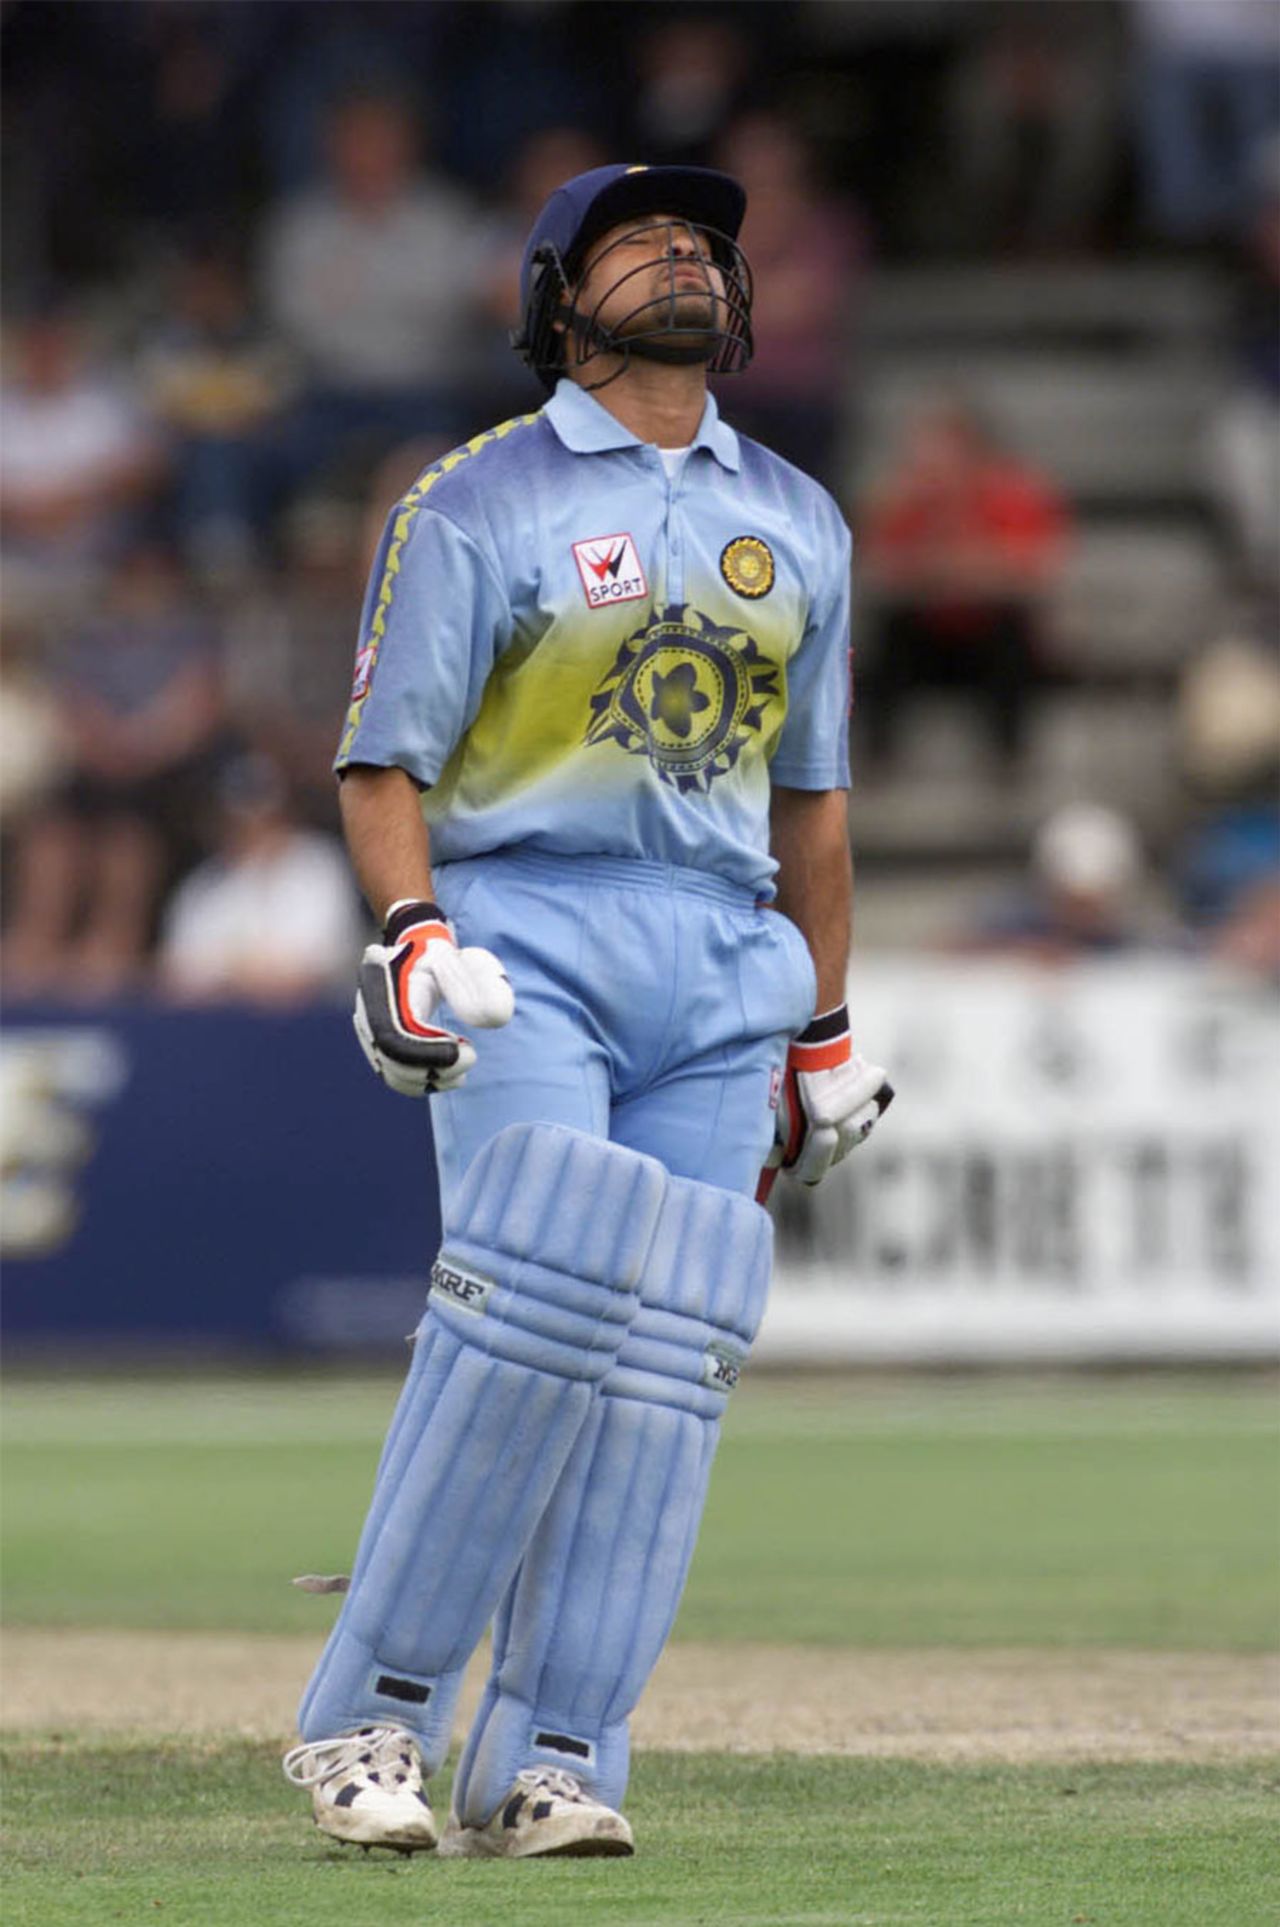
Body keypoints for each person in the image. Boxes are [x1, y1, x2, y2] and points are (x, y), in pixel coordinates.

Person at [281, 162, 892, 1862]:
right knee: (530, 1313)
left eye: (705, 239)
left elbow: (816, 807)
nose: (688, 254)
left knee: (665, 1361)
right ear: (560, 291)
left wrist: (825, 1029)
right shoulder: (473, 500)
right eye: (643, 237)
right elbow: (383, 757)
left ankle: (552, 1755)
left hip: (721, 957)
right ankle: (367, 1726)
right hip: (524, 933)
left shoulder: (803, 516)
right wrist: (412, 934)